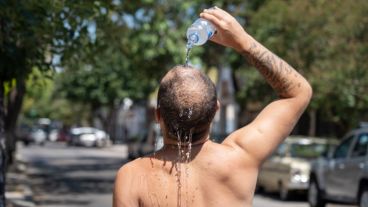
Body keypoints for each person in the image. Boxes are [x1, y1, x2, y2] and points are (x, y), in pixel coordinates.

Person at [113, 7, 312, 207]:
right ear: (216, 110)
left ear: (158, 115)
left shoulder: (132, 177)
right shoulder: (241, 157)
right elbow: (299, 92)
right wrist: (243, 43)